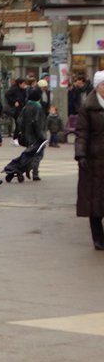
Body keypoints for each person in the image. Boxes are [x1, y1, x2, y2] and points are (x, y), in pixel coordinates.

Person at [74, 70, 104, 250]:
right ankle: (97, 237)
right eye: (103, 85)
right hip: (94, 160)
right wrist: (81, 154)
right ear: (98, 86)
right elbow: (82, 133)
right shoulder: (88, 106)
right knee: (94, 201)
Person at [14, 86, 49, 180]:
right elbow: (38, 123)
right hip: (37, 136)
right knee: (38, 154)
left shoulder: (26, 107)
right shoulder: (38, 108)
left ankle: (27, 168)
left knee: (30, 153)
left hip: (27, 136)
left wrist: (22, 131)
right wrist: (42, 136)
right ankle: (35, 173)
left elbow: (19, 120)